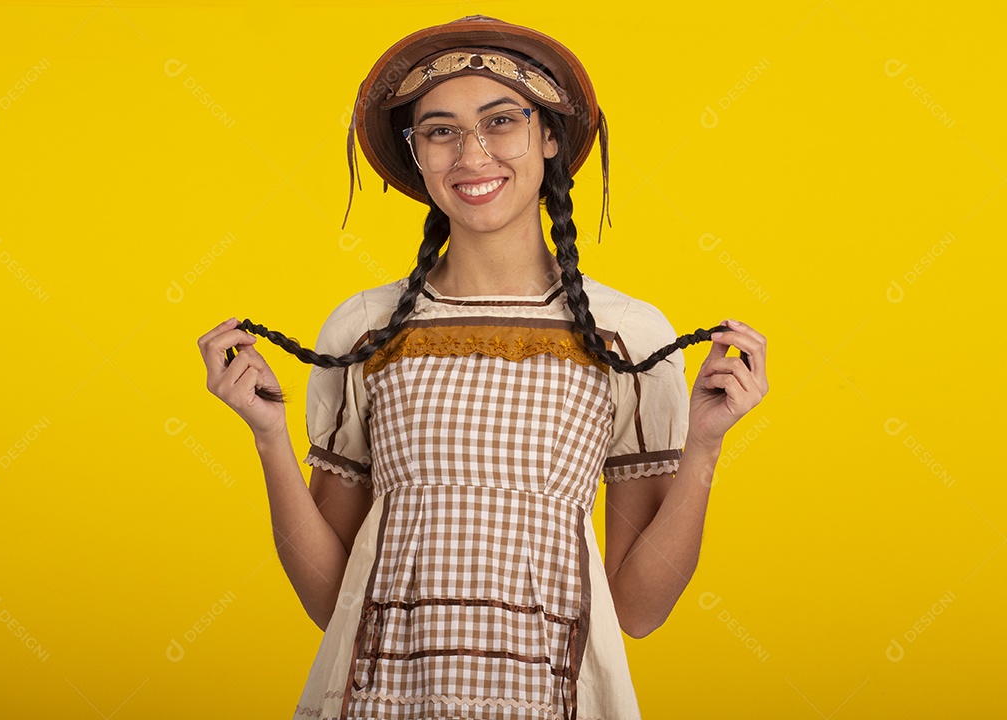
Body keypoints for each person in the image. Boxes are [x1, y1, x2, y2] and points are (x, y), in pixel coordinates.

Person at [196, 15, 768, 719]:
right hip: (382, 703)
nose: (472, 153)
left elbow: (639, 610)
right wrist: (267, 436)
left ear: (549, 137)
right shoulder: (365, 331)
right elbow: (329, 601)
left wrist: (707, 443)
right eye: (440, 130)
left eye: (501, 121)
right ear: (417, 153)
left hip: (552, 700)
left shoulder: (626, 336)